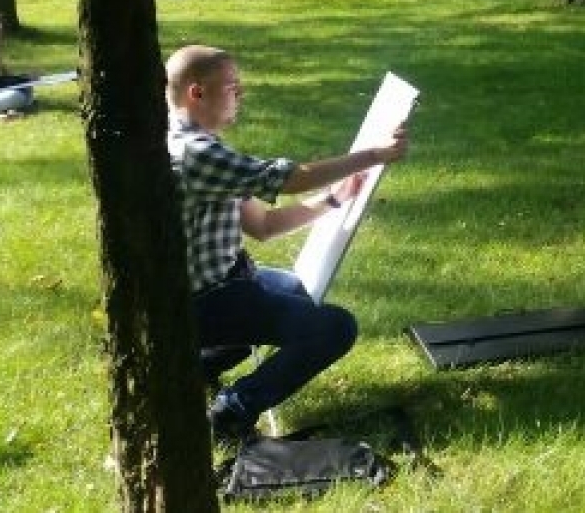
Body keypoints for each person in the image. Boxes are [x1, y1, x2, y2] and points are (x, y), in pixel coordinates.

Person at [165, 45, 409, 443]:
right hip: (203, 302)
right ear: (197, 92)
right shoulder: (196, 154)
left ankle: (202, 365)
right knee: (335, 328)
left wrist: (333, 201)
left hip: (223, 283)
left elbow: (262, 225)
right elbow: (291, 178)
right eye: (232, 86)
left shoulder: (198, 144)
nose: (240, 93)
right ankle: (231, 410)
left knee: (294, 289)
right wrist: (374, 154)